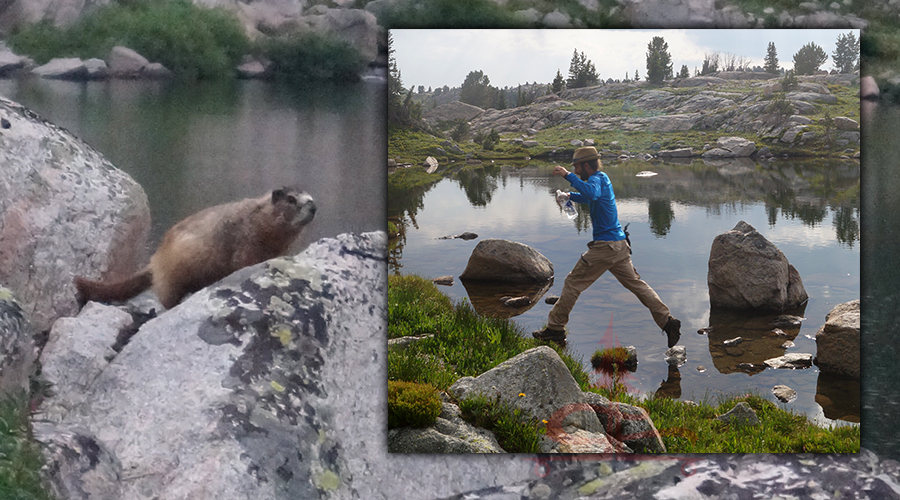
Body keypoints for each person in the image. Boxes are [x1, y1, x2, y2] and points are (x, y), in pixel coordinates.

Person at [532, 146, 682, 347]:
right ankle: (667, 321)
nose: (576, 171)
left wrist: (567, 176)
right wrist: (569, 196)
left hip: (606, 247)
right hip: (619, 246)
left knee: (572, 283)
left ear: (586, 165)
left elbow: (591, 193)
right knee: (637, 285)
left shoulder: (596, 180)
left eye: (577, 167)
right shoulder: (602, 179)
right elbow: (589, 197)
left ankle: (555, 329)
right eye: (573, 168)